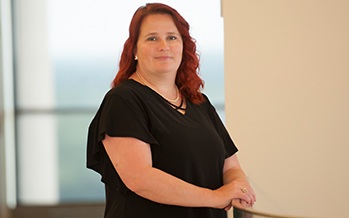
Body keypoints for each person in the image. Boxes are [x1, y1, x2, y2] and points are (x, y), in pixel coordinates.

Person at [87, 3, 256, 218]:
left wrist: (239, 188)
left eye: (172, 37)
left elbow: (230, 166)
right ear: (135, 50)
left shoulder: (199, 102)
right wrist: (215, 197)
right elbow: (140, 179)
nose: (164, 46)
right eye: (152, 38)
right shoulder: (123, 100)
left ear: (183, 47)